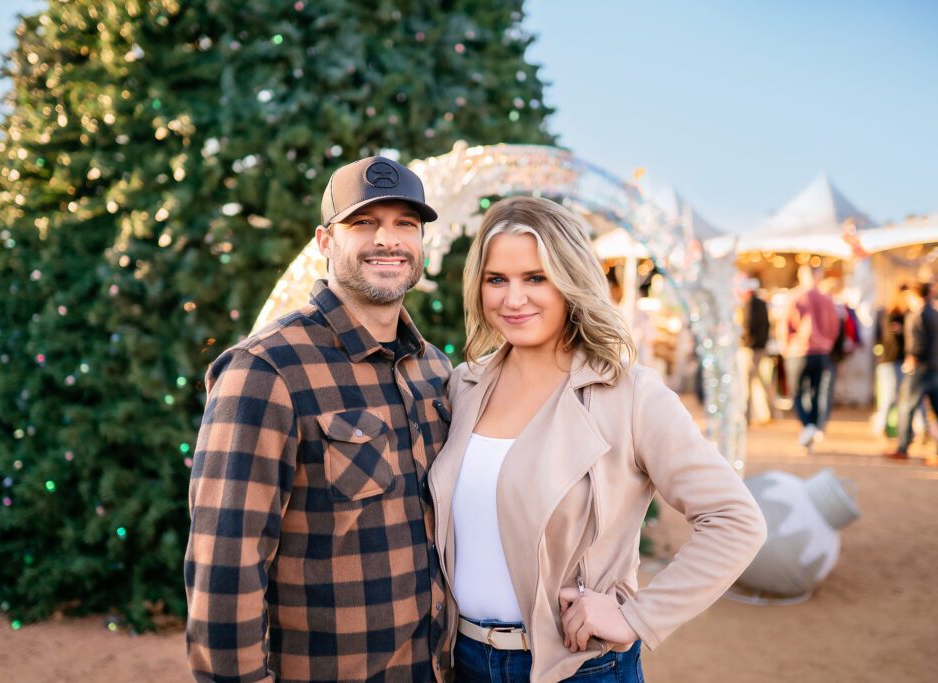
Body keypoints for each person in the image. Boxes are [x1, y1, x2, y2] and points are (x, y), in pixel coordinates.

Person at [428, 197, 767, 682]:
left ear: (570, 280)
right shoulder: (464, 385)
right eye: (496, 279)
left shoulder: (629, 394)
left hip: (579, 666)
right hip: (462, 662)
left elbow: (736, 519)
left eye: (535, 278)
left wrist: (637, 617)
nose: (513, 298)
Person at [185, 156, 453, 682]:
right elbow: (225, 564)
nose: (388, 239)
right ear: (326, 241)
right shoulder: (266, 370)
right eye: (364, 223)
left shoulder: (435, 370)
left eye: (406, 224)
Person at [780, 265, 840, 450]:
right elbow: (834, 327)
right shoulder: (827, 299)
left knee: (797, 392)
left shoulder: (795, 297)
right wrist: (827, 343)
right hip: (821, 352)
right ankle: (812, 427)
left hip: (799, 351)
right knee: (816, 392)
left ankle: (808, 425)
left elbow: (785, 324)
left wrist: (785, 345)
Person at [886, 282, 938, 461]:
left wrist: (911, 360)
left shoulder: (916, 316)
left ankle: (903, 447)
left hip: (920, 369)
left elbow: (917, 344)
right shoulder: (935, 314)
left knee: (906, 407)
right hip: (935, 368)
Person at [738, 279, 779, 424]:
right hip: (761, 347)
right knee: (763, 380)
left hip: (752, 348)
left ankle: (747, 416)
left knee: (749, 382)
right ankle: (773, 411)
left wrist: (745, 340)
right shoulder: (762, 304)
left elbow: (748, 325)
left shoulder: (750, 304)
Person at [873, 286, 908, 436]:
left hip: (898, 360)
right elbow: (888, 339)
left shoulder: (907, 315)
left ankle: (889, 427)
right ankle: (881, 426)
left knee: (898, 395)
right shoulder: (890, 315)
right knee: (890, 395)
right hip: (891, 360)